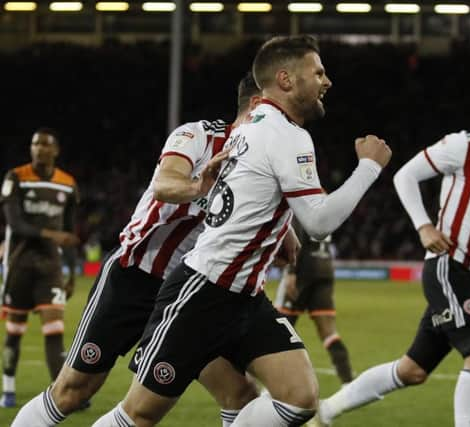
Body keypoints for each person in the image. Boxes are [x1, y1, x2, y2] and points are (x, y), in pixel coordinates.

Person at [91, 34, 391, 427]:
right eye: (318, 72)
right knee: (139, 414)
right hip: (201, 293)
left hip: (245, 297)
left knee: (300, 398)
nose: (327, 81)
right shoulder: (285, 135)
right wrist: (369, 167)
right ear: (285, 79)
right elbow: (319, 222)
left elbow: (252, 194)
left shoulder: (252, 127)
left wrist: (279, 229)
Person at [9, 73, 271, 427]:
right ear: (257, 105)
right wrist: (199, 187)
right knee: (73, 390)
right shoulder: (198, 135)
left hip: (189, 290)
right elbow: (164, 184)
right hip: (136, 275)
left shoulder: (263, 162)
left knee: (239, 395)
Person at [311, 74, 470, 427]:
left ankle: (325, 411)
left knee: (413, 370)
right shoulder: (466, 146)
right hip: (448, 267)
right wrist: (424, 226)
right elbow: (404, 176)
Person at [0, 129, 80, 408]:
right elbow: (16, 223)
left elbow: (69, 234)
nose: (39, 148)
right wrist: (52, 235)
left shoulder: (68, 183)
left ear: (56, 151)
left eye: (45, 145)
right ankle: (8, 389)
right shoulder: (16, 177)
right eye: (35, 143)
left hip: (50, 268)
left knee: (54, 330)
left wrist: (71, 272)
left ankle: (61, 394)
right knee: (14, 330)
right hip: (18, 265)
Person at [274, 218, 353, 384]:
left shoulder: (301, 199)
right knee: (329, 332)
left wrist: (290, 271)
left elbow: (297, 236)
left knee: (277, 330)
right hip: (325, 268)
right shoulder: (323, 200)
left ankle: (272, 387)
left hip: (303, 269)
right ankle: (348, 382)